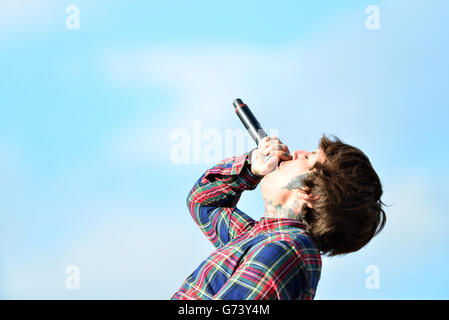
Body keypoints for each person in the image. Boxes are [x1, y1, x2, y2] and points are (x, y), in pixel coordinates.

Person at [171, 135, 386, 300]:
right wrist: (250, 168)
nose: (297, 152)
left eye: (310, 156)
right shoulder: (258, 236)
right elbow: (203, 202)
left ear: (311, 192)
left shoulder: (287, 248)